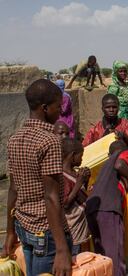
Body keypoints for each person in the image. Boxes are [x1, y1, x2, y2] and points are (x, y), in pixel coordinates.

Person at [3, 79, 72, 275]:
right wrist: (61, 249)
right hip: (47, 234)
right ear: (45, 108)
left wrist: (9, 233)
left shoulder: (15, 139)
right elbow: (50, 197)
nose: (60, 111)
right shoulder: (50, 141)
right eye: (58, 106)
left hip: (23, 227)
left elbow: (13, 189)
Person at [86, 140, 128, 276]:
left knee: (101, 260)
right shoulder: (127, 153)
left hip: (92, 209)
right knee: (114, 259)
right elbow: (120, 164)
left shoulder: (105, 167)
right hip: (108, 210)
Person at [61, 138, 90, 255]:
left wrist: (84, 181)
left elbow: (79, 194)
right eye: (80, 156)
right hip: (72, 230)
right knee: (75, 258)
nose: (82, 159)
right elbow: (66, 203)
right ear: (72, 156)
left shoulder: (73, 172)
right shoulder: (62, 176)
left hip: (80, 227)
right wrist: (79, 182)